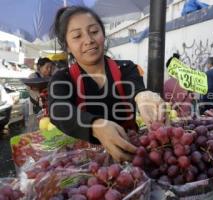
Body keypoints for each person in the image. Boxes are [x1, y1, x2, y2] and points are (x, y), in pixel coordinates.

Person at [48, 6, 164, 162]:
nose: (89, 40)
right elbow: (58, 109)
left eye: (94, 31)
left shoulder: (125, 68)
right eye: (77, 36)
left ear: (103, 34)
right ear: (67, 46)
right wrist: (95, 126)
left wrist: (143, 96)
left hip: (133, 156)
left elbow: (136, 88)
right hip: (89, 167)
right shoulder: (63, 79)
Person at [164, 53, 193, 117]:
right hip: (189, 117)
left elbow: (165, 103)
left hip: (175, 118)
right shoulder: (189, 81)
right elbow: (192, 97)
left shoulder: (167, 84)